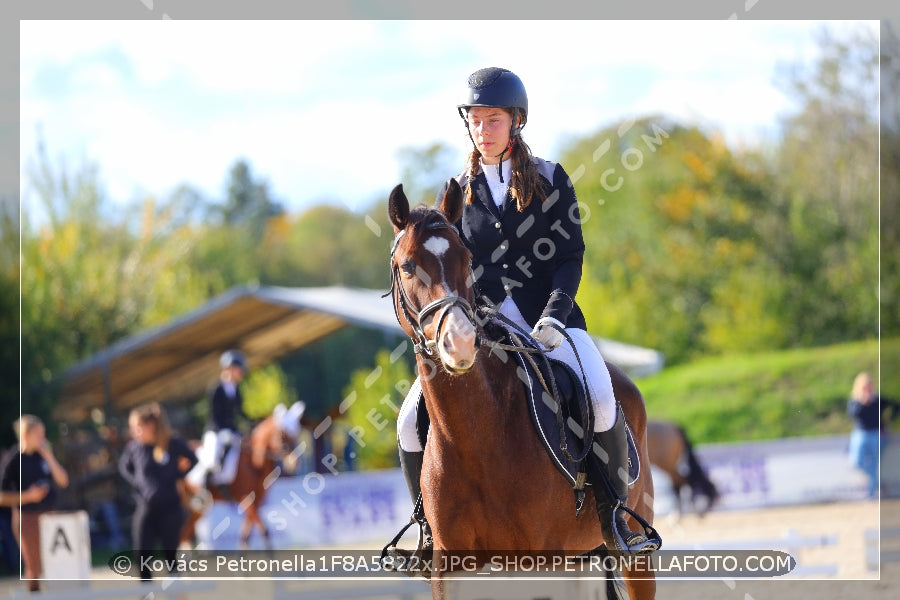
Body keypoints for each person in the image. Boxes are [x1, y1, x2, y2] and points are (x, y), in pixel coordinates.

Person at [395, 67, 658, 556]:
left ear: (516, 121)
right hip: (483, 329)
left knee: (603, 397)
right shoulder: (456, 191)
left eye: (492, 119)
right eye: (474, 119)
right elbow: (449, 269)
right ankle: (429, 530)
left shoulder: (551, 178)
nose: (482, 128)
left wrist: (556, 314)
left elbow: (569, 256)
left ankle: (616, 515)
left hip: (551, 323)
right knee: (410, 419)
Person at [118, 403, 197, 580]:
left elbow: (193, 459)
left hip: (170, 507)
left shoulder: (172, 443)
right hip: (146, 507)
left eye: (138, 428)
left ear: (150, 426)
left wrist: (178, 475)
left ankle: (174, 592)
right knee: (143, 555)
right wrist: (138, 483)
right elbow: (124, 466)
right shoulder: (135, 448)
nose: (135, 433)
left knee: (171, 554)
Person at [0, 415, 69, 592]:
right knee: (34, 566)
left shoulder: (43, 455)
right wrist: (28, 497)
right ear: (25, 435)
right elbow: (2, 497)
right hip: (27, 518)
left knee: (57, 563)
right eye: (38, 434)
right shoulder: (14, 460)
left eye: (43, 434)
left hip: (50, 515)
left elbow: (63, 481)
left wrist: (50, 457)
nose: (42, 438)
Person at [194, 350, 249, 488]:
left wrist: (250, 426)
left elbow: (240, 413)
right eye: (239, 369)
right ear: (229, 368)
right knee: (213, 460)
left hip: (231, 432)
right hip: (216, 431)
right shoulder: (216, 388)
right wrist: (224, 431)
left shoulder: (236, 389)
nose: (241, 373)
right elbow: (214, 414)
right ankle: (203, 486)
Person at [847, 372, 900, 499]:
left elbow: (896, 405)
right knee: (857, 462)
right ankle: (878, 482)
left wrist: (888, 421)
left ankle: (871, 494)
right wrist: (863, 403)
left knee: (876, 462)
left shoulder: (878, 400)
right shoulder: (856, 401)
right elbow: (853, 415)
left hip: (877, 434)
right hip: (861, 433)